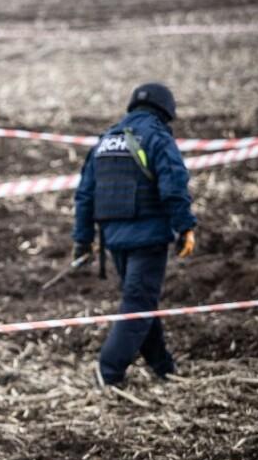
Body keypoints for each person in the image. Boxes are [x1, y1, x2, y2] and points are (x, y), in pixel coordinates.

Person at [72, 82, 197, 387]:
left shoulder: (106, 140)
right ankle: (109, 371)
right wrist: (185, 226)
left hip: (114, 239)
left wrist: (82, 241)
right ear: (166, 110)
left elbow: (85, 195)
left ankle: (163, 368)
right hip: (148, 237)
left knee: (140, 301)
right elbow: (173, 185)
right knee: (139, 304)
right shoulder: (157, 136)